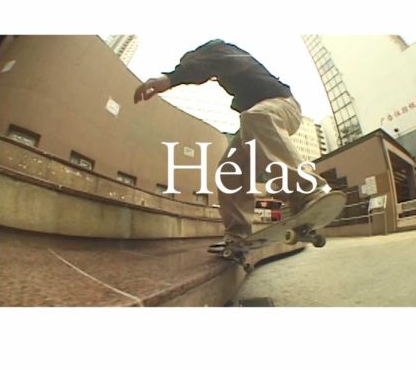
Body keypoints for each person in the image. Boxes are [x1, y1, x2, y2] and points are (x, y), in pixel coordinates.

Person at [134, 39, 330, 245]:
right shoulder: (227, 66)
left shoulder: (222, 51)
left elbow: (204, 64)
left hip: (282, 105)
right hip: (257, 120)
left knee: (256, 116)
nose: (212, 78)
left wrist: (170, 79)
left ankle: (307, 190)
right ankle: (237, 234)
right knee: (229, 170)